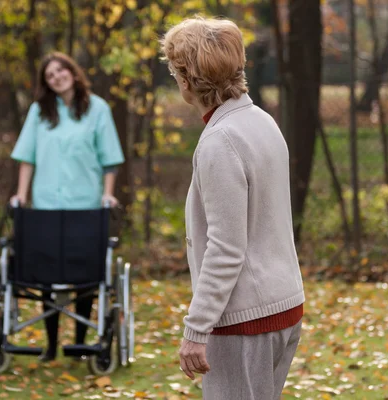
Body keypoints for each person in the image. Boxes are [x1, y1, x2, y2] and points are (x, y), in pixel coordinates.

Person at [160, 17, 305, 399]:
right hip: (282, 306)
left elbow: (226, 248)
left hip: (246, 320)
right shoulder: (262, 122)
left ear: (187, 79)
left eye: (176, 71)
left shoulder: (220, 141)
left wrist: (196, 329)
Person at [9, 52, 125, 362]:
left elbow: (109, 160)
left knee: (83, 275)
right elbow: (27, 157)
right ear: (46, 83)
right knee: (47, 275)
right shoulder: (39, 112)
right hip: (46, 205)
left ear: (73, 73)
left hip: (85, 205)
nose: (56, 77)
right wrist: (21, 195)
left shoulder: (98, 109)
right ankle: (49, 344)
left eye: (61, 70)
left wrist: (107, 194)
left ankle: (80, 343)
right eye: (49, 75)